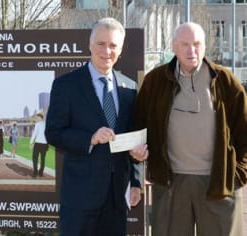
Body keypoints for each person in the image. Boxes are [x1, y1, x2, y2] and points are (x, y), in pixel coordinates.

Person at [135, 22, 247, 236]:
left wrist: (238, 174)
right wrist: (139, 154)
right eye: (185, 44)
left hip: (219, 184)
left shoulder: (225, 81)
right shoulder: (155, 81)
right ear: (174, 47)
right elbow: (139, 126)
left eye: (197, 44)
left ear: (204, 46)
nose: (191, 50)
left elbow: (244, 131)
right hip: (170, 184)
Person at [45, 17, 148, 235]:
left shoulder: (129, 89)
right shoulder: (66, 85)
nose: (107, 51)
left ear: (120, 50)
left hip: (117, 199)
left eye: (113, 45)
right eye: (101, 44)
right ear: (90, 45)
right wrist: (89, 138)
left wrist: (136, 180)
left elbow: (134, 137)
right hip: (80, 198)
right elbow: (54, 133)